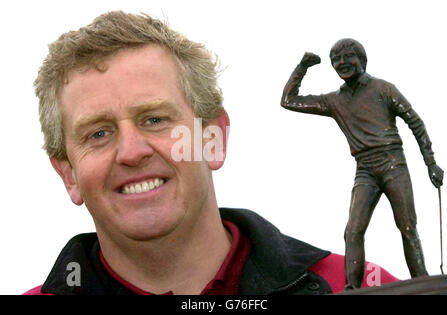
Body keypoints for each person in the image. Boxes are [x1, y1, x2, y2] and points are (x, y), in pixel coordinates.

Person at [25, 13, 396, 295]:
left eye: (154, 119)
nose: (132, 152)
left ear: (213, 139)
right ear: (69, 175)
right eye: (99, 133)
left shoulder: (359, 286)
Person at [280, 38, 444, 290]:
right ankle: (352, 289)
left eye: (348, 56)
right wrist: (304, 65)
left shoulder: (383, 89)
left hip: (393, 164)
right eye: (336, 59)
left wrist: (430, 163)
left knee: (408, 226)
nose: (342, 62)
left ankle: (423, 284)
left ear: (362, 59)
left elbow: (415, 122)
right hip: (365, 170)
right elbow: (289, 100)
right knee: (353, 231)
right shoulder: (333, 100)